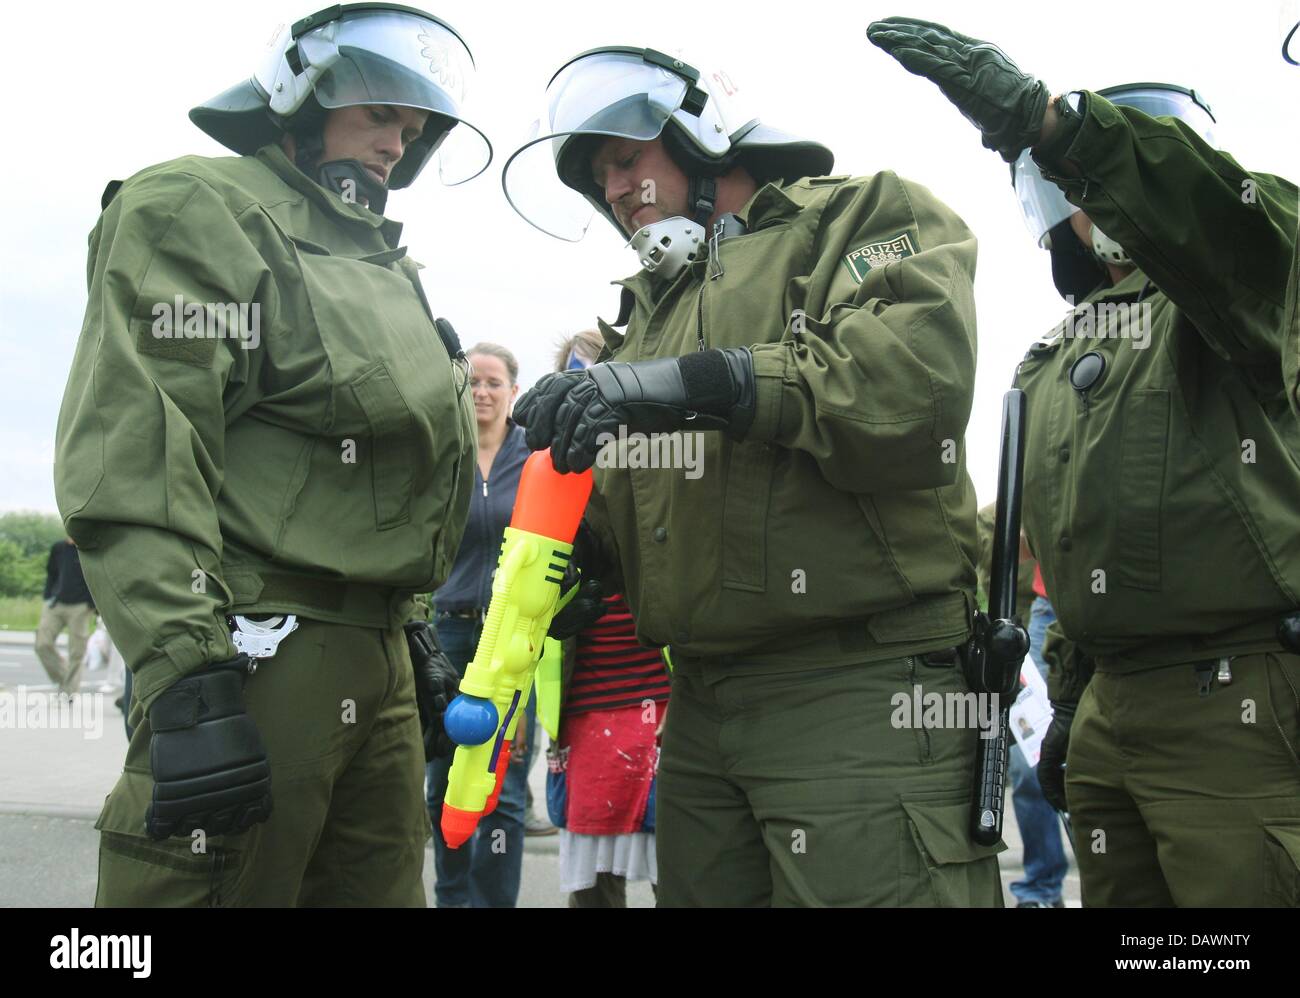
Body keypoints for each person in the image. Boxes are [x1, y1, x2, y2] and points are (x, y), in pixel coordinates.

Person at [505, 46, 1002, 907]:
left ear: (700, 136)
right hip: (698, 706)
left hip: (859, 694)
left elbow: (909, 387)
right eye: (599, 178)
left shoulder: (858, 212)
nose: (616, 191)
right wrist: (587, 564)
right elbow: (659, 503)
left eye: (626, 159)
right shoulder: (650, 310)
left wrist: (698, 382)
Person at [54, 3, 488, 907]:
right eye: (380, 117)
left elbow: (370, 486)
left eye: (410, 132)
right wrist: (186, 676)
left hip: (377, 664)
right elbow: (138, 452)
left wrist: (404, 628)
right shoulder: (202, 207)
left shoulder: (384, 266)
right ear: (299, 98)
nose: (396, 149)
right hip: (256, 648)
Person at [869, 16, 1300, 906]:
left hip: (1240, 702)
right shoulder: (1053, 358)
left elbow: (1227, 232)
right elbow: (1073, 548)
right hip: (1110, 705)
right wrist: (1071, 696)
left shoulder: (1241, 297)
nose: (1070, 204)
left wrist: (1056, 126)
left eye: (1081, 181)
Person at [538, 330, 670, 907]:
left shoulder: (664, 456)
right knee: (592, 887)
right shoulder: (549, 474)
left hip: (665, 700)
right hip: (586, 707)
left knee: (685, 866)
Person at [424, 342, 537, 907]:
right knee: (445, 779)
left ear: (514, 392)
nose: (482, 393)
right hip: (449, 633)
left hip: (513, 642)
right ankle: (452, 899)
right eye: (472, 383)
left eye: (494, 382)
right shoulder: (446, 454)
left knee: (505, 786)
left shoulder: (535, 456)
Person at [976, 505, 1067, 909]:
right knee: (1029, 764)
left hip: (1104, 605)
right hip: (1044, 616)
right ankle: (1042, 887)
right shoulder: (996, 514)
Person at [35, 538, 95, 696]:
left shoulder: (89, 548)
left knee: (76, 651)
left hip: (80, 607)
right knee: (42, 644)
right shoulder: (58, 548)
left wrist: (91, 604)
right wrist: (48, 595)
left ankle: (68, 692)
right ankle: (64, 678)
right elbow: (51, 572)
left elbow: (97, 576)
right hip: (56, 603)